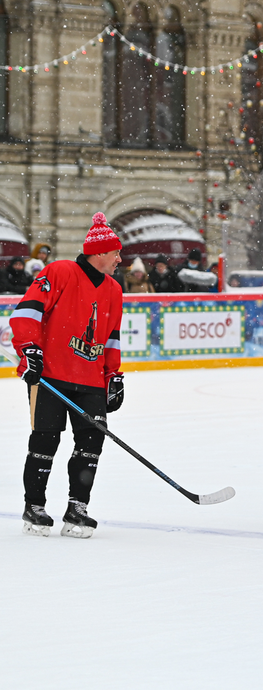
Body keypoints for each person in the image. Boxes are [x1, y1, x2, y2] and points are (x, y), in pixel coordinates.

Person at [12, 212, 124, 538]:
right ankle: (34, 506)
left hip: (89, 378)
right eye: (116, 253)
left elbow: (111, 336)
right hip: (50, 374)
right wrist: (29, 349)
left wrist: (113, 375)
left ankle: (78, 508)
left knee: (92, 441)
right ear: (99, 253)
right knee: (45, 440)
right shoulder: (59, 271)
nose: (120, 259)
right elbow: (27, 311)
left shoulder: (114, 290)